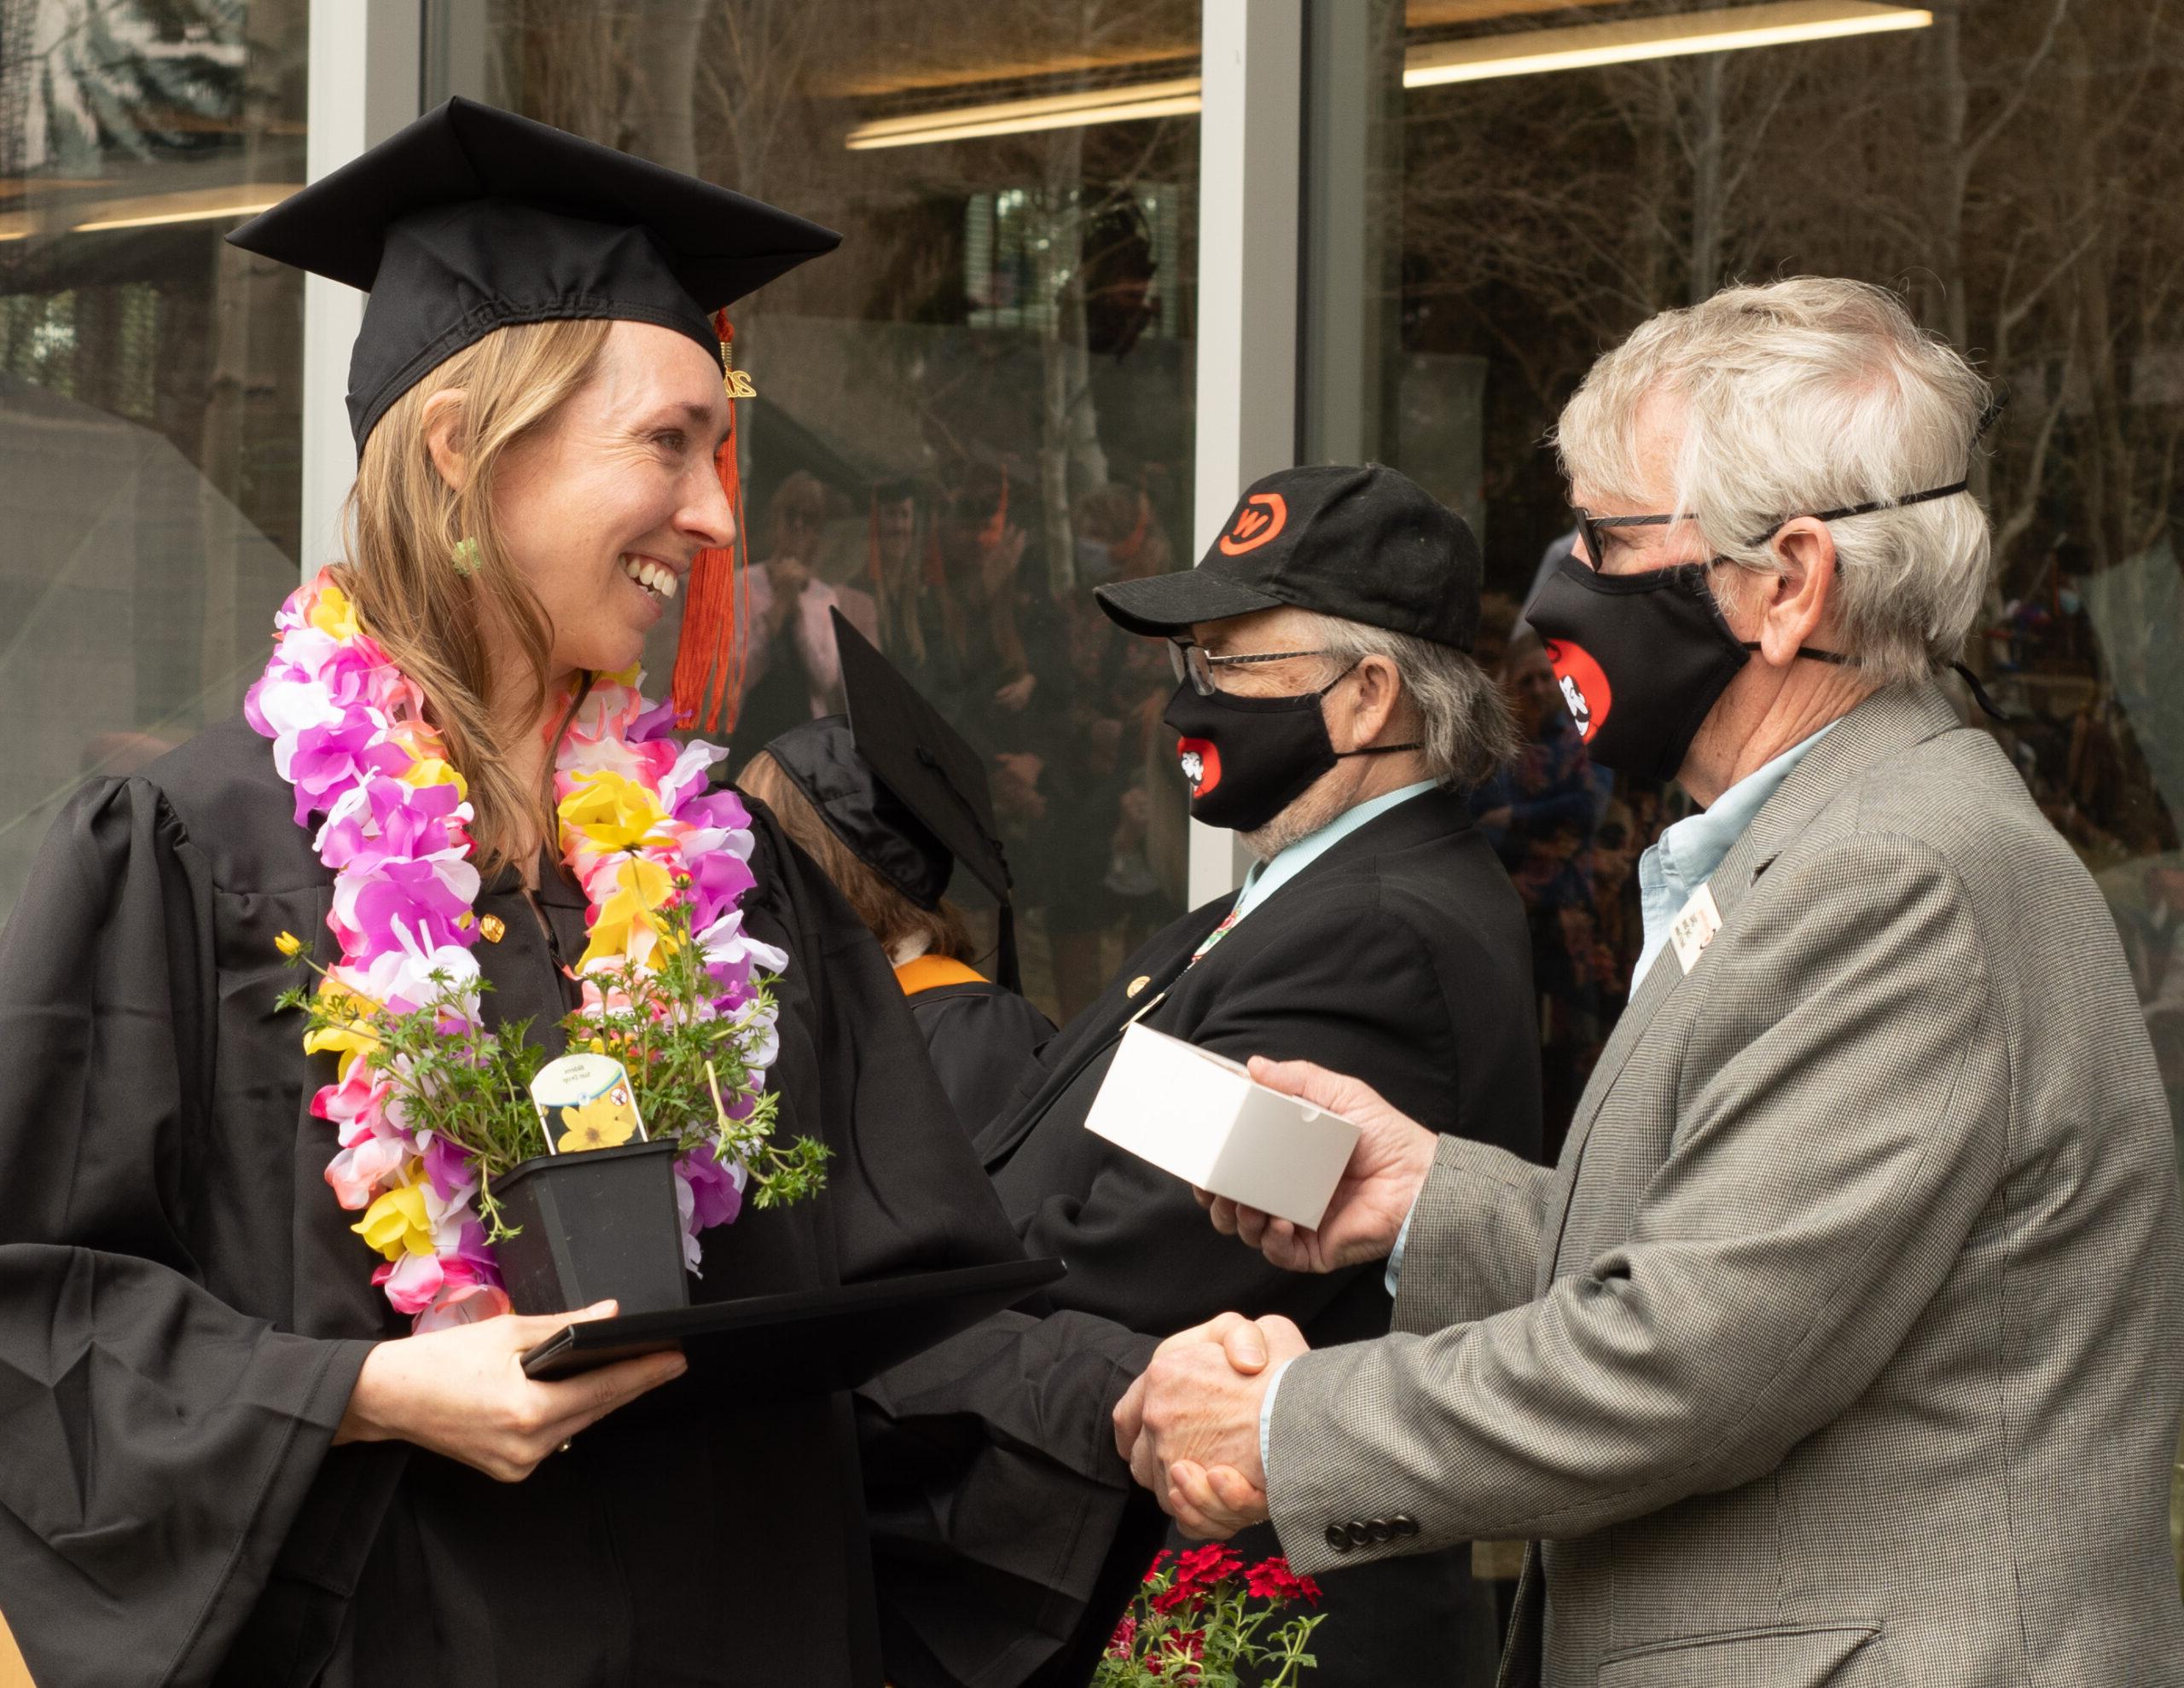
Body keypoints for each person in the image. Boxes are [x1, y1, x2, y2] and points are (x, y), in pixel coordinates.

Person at [0, 97, 1036, 1687]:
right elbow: (37, 1320)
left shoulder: (738, 879)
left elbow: (903, 1305)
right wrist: (364, 1391)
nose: (718, 515)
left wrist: (1148, 1396)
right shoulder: (191, 853)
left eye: (721, 448)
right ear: (462, 448)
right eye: (668, 442)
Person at [1120, 279, 2184, 1685]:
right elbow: (1749, 1260)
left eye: (1612, 538)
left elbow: (1690, 1363)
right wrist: (1432, 1195)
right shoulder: (1825, 840)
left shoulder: (1901, 878)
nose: (1565, 582)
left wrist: (1285, 1429)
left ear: (1791, 582)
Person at [886, 464, 1542, 1688]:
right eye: (1188, 657)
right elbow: (1085, 1150)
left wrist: (897, 1284)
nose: (1189, 699)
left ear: (1368, 697)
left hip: (1250, 1631)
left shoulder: (1378, 935)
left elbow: (1141, 1258)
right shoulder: (1280, 904)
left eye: (1231, 662)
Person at [737, 613, 1054, 1134]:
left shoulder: (975, 1032)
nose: (752, 875)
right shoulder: (819, 1021)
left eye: (770, 846)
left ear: (830, 868)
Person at [731, 469, 880, 762]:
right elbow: (738, 675)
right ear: (776, 519)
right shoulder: (744, 583)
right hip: (750, 730)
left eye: (809, 518)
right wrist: (777, 609)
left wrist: (797, 613)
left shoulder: (824, 597)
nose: (799, 525)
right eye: (791, 514)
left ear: (818, 531)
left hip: (802, 738)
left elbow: (826, 679)